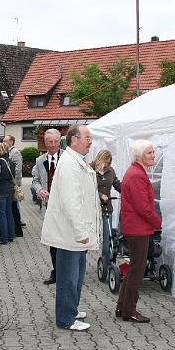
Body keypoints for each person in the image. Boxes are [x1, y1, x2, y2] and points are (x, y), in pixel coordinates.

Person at [41, 125, 100, 331]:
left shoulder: (75, 161)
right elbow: (70, 202)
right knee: (68, 276)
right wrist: (81, 232)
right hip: (69, 235)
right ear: (74, 140)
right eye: (87, 137)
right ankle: (66, 318)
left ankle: (71, 309)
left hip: (75, 234)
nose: (90, 141)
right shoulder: (69, 164)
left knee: (77, 274)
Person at [116, 140, 161, 323]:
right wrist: (158, 222)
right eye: (149, 152)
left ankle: (123, 307)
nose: (153, 155)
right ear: (140, 155)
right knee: (137, 269)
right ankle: (129, 310)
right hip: (137, 228)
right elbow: (143, 207)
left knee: (134, 268)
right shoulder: (136, 175)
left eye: (153, 152)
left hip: (136, 227)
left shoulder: (136, 172)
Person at [31, 128, 63, 285]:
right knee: (52, 240)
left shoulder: (67, 157)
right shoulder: (40, 161)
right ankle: (56, 272)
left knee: (65, 239)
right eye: (50, 142)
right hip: (49, 207)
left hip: (65, 207)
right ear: (45, 143)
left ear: (60, 141)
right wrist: (39, 190)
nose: (53, 145)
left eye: (56, 142)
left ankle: (67, 271)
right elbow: (35, 180)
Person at [92, 149, 121, 275]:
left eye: (109, 163)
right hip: (92, 209)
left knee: (107, 237)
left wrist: (129, 191)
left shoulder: (111, 171)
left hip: (106, 208)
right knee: (89, 237)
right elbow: (84, 188)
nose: (107, 165)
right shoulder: (90, 170)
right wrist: (99, 194)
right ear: (100, 160)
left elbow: (117, 184)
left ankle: (107, 264)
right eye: (105, 162)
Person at [0, 143, 15, 245]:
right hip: (10, 189)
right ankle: (11, 236)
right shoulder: (10, 161)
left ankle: (3, 238)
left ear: (1, 150)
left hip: (1, 189)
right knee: (9, 212)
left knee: (2, 214)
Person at [3, 134, 24, 237]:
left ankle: (18, 229)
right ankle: (16, 228)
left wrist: (14, 183)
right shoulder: (9, 152)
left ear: (11, 142)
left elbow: (18, 169)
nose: (4, 143)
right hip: (11, 183)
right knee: (12, 206)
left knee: (14, 206)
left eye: (5, 141)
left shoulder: (15, 153)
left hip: (13, 183)